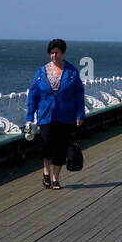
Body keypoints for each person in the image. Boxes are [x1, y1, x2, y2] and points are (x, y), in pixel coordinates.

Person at [26, 38, 86, 190]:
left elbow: (79, 93)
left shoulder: (71, 71)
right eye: (51, 53)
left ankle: (55, 178)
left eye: (57, 52)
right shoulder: (41, 71)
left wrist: (80, 114)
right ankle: (46, 171)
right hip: (45, 114)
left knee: (60, 146)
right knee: (46, 142)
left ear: (63, 53)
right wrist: (29, 117)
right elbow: (33, 94)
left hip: (65, 115)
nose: (54, 55)